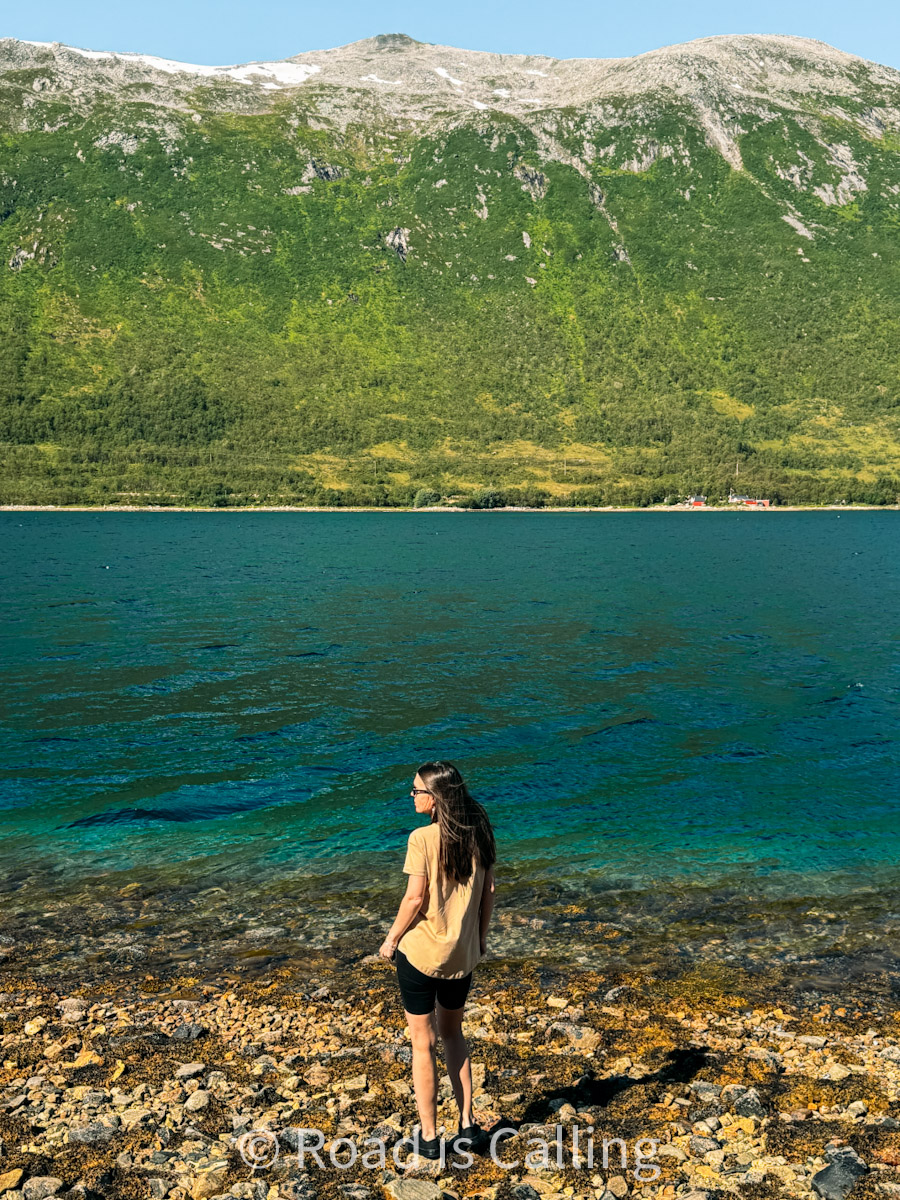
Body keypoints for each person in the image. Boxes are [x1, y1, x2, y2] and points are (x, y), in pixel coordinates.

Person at [379, 760, 496, 1160]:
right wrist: (478, 941)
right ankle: (468, 1126)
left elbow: (414, 899)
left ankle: (429, 1138)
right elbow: (488, 893)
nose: (411, 796)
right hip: (462, 958)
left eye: (416, 790)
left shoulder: (421, 839)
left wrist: (391, 939)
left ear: (434, 797)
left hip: (421, 953)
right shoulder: (479, 832)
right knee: (453, 1035)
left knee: (422, 1043)